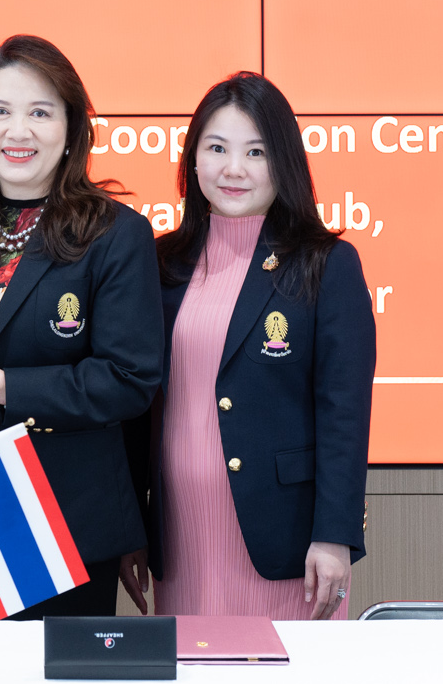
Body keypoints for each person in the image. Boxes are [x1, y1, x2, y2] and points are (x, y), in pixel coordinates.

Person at [0, 35, 164, 619]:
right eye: (0, 112)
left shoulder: (117, 232)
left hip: (58, 505)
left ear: (71, 128)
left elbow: (129, 378)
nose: (19, 131)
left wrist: (1, 388)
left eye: (40, 112)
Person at [121, 72, 375, 621]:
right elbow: (136, 405)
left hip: (285, 541)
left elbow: (344, 414)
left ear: (283, 163)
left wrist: (334, 536)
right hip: (181, 533)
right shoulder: (161, 264)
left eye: (256, 152)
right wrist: (131, 528)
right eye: (216, 148)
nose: (233, 169)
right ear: (192, 161)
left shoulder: (326, 264)